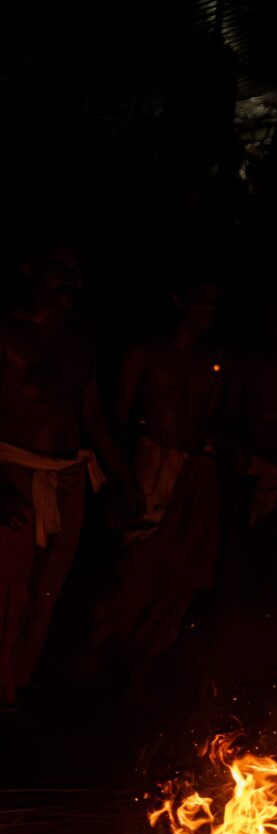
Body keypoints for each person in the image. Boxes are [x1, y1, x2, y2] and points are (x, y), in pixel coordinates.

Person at [0, 241, 138, 709]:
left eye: (78, 270)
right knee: (7, 592)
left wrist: (123, 476)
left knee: (45, 594)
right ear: (28, 267)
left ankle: (13, 690)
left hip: (69, 480)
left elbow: (92, 417)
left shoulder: (81, 342)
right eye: (61, 268)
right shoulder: (6, 333)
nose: (72, 280)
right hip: (13, 472)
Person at [88, 278, 225, 661]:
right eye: (203, 301)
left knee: (179, 574)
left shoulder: (212, 362)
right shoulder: (145, 352)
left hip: (192, 472)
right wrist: (119, 477)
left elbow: (212, 422)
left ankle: (142, 672)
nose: (211, 311)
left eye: (216, 304)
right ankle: (95, 660)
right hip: (148, 465)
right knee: (135, 569)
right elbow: (116, 418)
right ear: (179, 300)